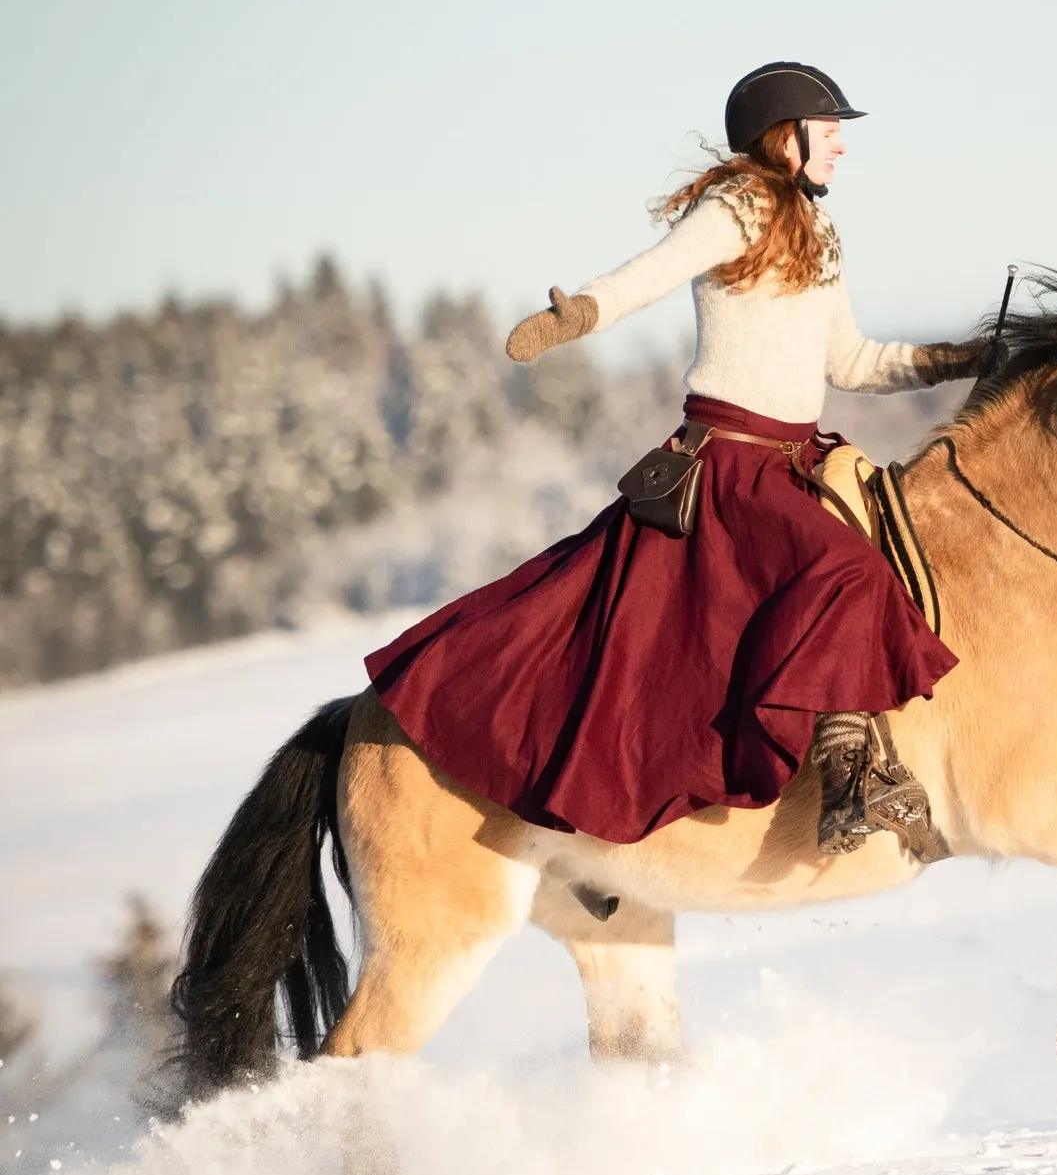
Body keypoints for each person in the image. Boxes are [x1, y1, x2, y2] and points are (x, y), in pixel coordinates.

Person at [364, 61, 986, 857]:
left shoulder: (818, 228)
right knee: (850, 576)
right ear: (785, 137)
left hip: (793, 461)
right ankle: (848, 780)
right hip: (732, 465)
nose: (841, 145)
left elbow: (852, 362)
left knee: (879, 563)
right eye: (829, 129)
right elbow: (649, 275)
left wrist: (957, 359)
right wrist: (577, 315)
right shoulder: (738, 206)